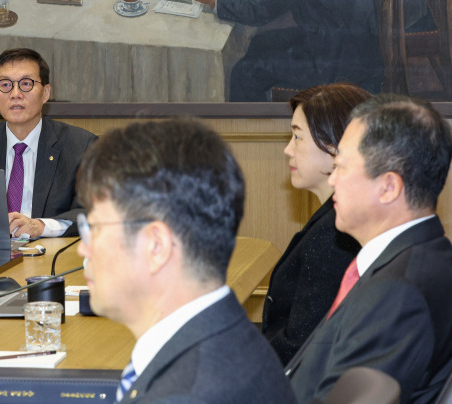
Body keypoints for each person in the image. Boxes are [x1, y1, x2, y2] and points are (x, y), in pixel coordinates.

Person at [76, 119, 296, 403]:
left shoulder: (182, 394)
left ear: (156, 246)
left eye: (94, 228)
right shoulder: (227, 336)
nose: (84, 248)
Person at [285, 94, 452, 403]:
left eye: (341, 167)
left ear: (389, 187)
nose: (332, 180)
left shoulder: (399, 294)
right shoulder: (408, 258)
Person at [262, 83, 366, 365]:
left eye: (297, 137)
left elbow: (299, 349)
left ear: (334, 146)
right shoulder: (332, 219)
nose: (287, 150)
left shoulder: (334, 235)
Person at [0, 48, 96, 238]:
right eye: (5, 84)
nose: (15, 93)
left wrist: (41, 227)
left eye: (26, 84)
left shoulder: (82, 146)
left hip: (52, 261)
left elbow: (95, 211)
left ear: (45, 93)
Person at [195, 0, 432, 102]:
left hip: (334, 61)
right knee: (259, 45)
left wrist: (215, 2)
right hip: (362, 51)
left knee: (244, 73)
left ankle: (255, 153)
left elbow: (260, 11)